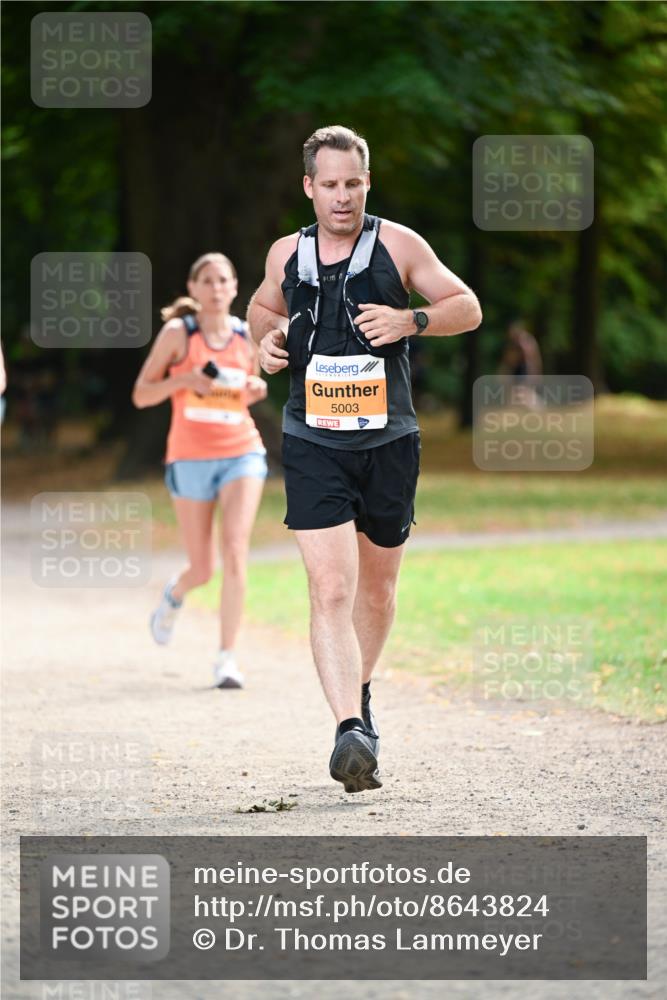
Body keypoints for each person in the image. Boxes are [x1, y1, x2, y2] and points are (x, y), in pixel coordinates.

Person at [247, 125, 482, 791]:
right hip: (312, 441)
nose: (342, 197)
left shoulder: (399, 245)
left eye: (352, 183)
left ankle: (363, 690)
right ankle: (349, 728)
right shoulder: (286, 253)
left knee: (376, 589)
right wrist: (264, 345)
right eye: (329, 185)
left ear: (366, 182)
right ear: (308, 188)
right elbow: (262, 309)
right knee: (331, 588)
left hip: (388, 443)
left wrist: (414, 322)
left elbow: (466, 305)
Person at [132, 252, 268, 689]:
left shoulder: (248, 337)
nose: (214, 288)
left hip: (241, 452)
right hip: (189, 457)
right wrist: (185, 381)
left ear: (234, 288)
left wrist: (255, 387)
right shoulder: (179, 334)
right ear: (193, 289)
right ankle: (175, 594)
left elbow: (252, 389)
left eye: (222, 280)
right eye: (206, 280)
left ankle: (227, 658)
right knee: (203, 568)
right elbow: (141, 395)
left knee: (234, 551)